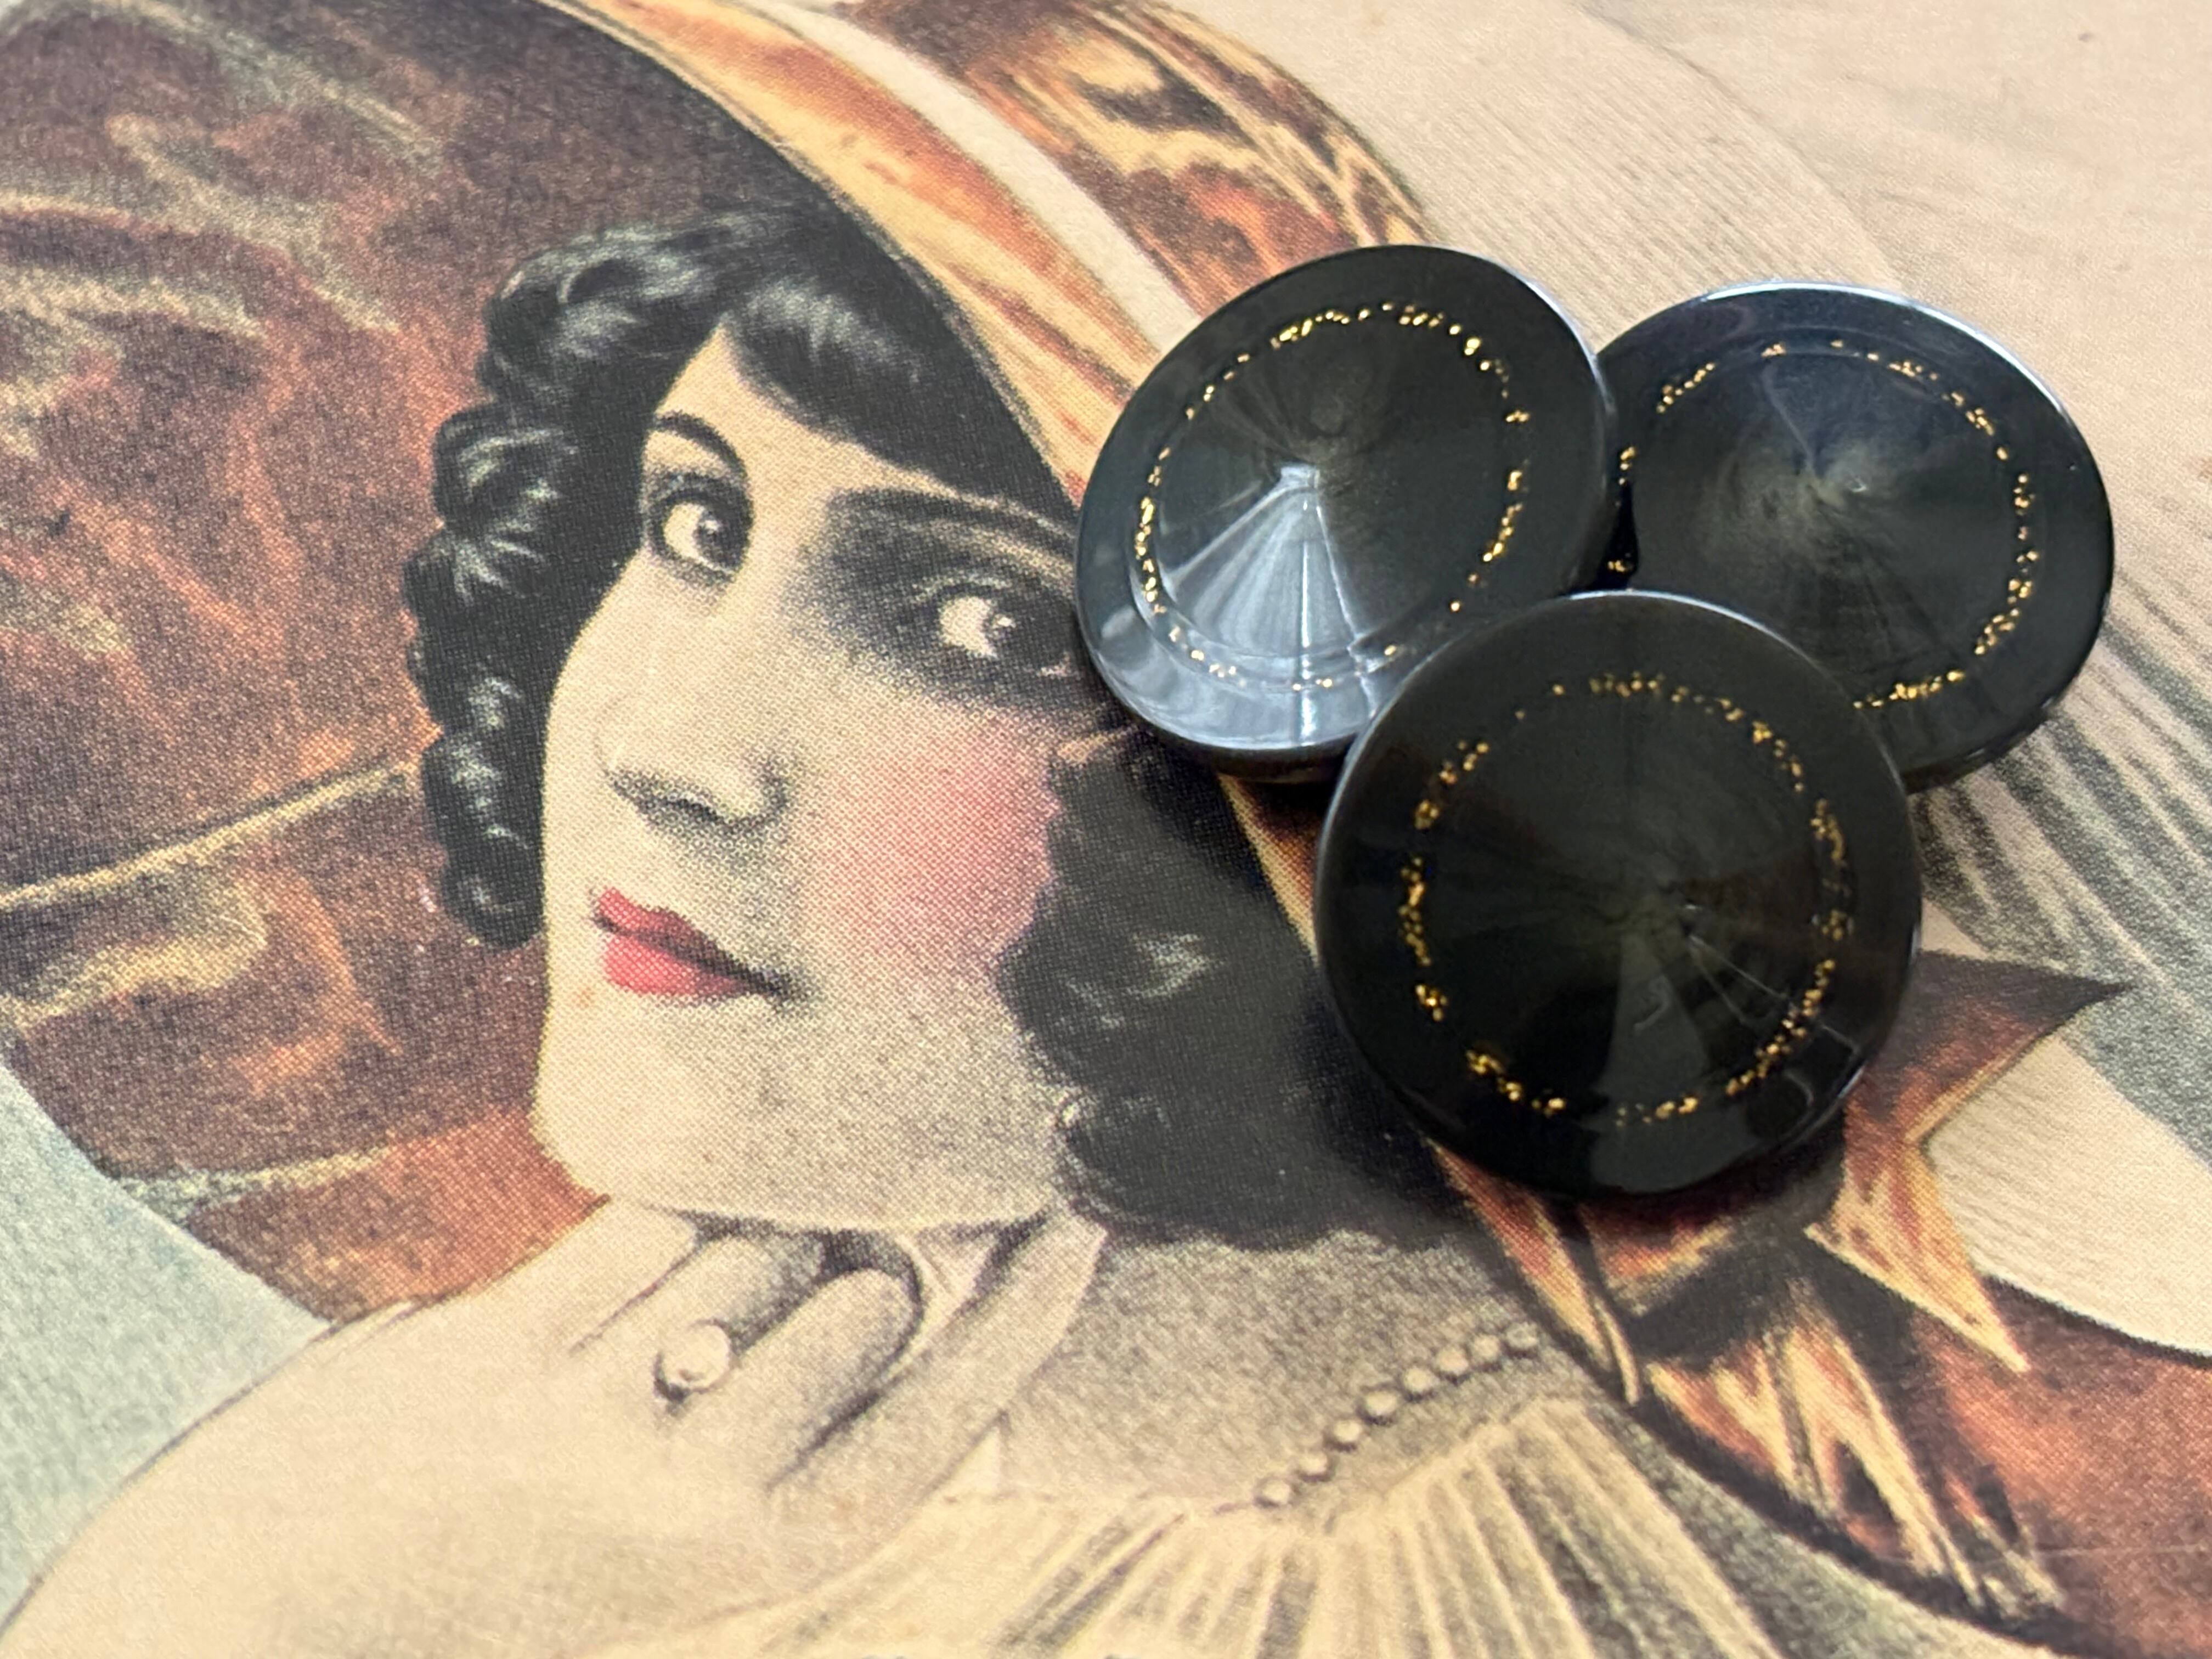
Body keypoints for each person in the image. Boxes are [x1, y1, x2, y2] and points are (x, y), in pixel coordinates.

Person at [0, 189, 2052, 1659]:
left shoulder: (1436, 1599)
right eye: (696, 523)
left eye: (982, 621)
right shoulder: (585, 1475)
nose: (666, 751)